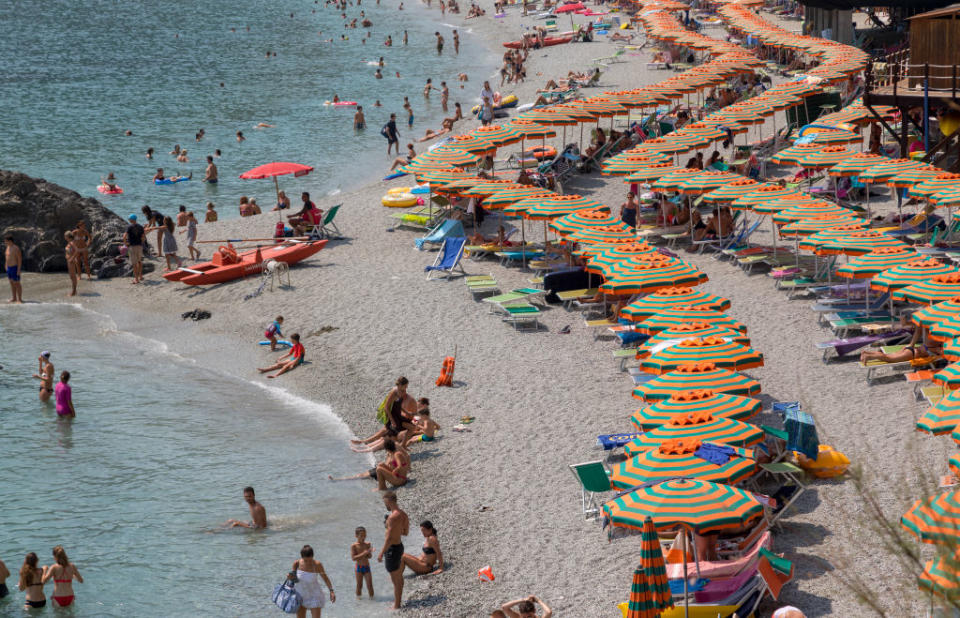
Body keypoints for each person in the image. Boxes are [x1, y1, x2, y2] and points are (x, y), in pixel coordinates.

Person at [378, 491, 409, 610]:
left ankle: (396, 605)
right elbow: (405, 532)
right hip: (399, 546)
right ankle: (398, 600)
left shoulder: (391, 518)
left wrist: (381, 553)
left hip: (392, 549)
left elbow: (389, 538)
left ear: (389, 501)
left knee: (395, 578)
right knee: (398, 576)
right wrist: (395, 530)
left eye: (384, 502)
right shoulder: (404, 515)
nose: (384, 504)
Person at [290, 545, 335, 617]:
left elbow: (325, 578)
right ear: (302, 557)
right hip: (300, 596)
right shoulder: (296, 564)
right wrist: (290, 578)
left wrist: (331, 591)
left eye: (310, 560)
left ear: (313, 556)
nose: (308, 562)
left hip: (314, 596)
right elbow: (294, 581)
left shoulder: (317, 565)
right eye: (305, 560)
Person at [351, 527, 374, 598]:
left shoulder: (367, 544)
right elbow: (353, 558)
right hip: (359, 568)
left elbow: (369, 557)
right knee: (359, 585)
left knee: (370, 585)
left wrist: (369, 553)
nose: (363, 537)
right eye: (361, 536)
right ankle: (358, 601)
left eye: (365, 535)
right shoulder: (354, 546)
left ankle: (372, 600)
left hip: (366, 567)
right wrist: (364, 553)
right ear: (356, 536)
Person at [124, 214, 145, 284]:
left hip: (132, 246)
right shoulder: (141, 227)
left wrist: (125, 244)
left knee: (134, 263)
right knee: (139, 261)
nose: (128, 220)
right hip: (139, 246)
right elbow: (143, 237)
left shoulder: (129, 227)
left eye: (129, 219)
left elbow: (124, 236)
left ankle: (136, 279)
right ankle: (141, 276)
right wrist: (141, 242)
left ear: (131, 219)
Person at [5, 234, 23, 303]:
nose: (5, 242)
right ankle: (14, 298)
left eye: (6, 241)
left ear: (10, 241)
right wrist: (6, 266)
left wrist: (18, 270)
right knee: (11, 283)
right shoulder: (7, 248)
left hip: (15, 268)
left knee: (17, 283)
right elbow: (6, 257)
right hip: (9, 268)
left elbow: (19, 259)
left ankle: (20, 299)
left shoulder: (16, 248)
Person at [64, 231, 80, 296]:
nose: (64, 237)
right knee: (72, 276)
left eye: (65, 236)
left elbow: (77, 250)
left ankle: (74, 292)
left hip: (71, 261)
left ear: (67, 237)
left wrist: (72, 258)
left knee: (73, 276)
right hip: (70, 260)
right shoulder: (71, 242)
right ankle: (74, 291)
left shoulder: (71, 243)